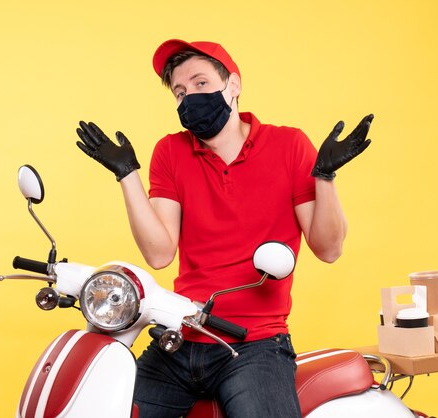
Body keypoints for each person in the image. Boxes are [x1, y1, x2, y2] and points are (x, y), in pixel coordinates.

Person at [75, 39, 373, 418]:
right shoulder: (171, 152)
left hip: (256, 343)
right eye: (180, 92)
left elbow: (328, 249)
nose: (189, 98)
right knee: (110, 408)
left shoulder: (289, 145)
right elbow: (160, 253)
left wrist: (325, 177)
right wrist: (126, 175)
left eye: (200, 84)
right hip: (180, 333)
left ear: (233, 85)